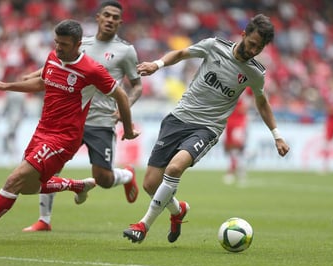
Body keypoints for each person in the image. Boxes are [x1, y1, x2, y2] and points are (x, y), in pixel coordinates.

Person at [0, 19, 139, 243]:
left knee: (13, 180)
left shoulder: (91, 70)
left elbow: (120, 95)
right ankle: (76, 185)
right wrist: (7, 86)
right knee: (27, 188)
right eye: (56, 42)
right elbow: (43, 82)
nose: (58, 47)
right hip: (42, 131)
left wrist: (128, 128)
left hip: (64, 139)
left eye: (64, 44)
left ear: (78, 44)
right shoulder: (54, 57)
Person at [123, 14, 290, 244]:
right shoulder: (214, 46)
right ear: (243, 35)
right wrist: (157, 64)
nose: (253, 51)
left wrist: (277, 135)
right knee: (150, 184)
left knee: (174, 168)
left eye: (258, 48)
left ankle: (143, 225)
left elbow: (262, 103)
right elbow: (181, 53)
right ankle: (177, 211)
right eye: (252, 44)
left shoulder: (255, 73)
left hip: (207, 128)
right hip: (177, 118)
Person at [22, 1, 143, 232]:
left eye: (115, 17)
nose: (110, 19)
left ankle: (126, 174)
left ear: (120, 22)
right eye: (106, 15)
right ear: (98, 17)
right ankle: (44, 220)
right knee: (48, 168)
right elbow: (57, 64)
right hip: (70, 119)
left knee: (103, 179)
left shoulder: (126, 51)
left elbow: (137, 86)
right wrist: (33, 75)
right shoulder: (80, 43)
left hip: (102, 121)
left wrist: (126, 106)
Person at [223, 95, 249, 185]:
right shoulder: (228, 96)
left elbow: (244, 109)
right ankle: (237, 169)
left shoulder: (242, 97)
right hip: (229, 125)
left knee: (237, 148)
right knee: (230, 149)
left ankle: (234, 170)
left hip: (238, 125)